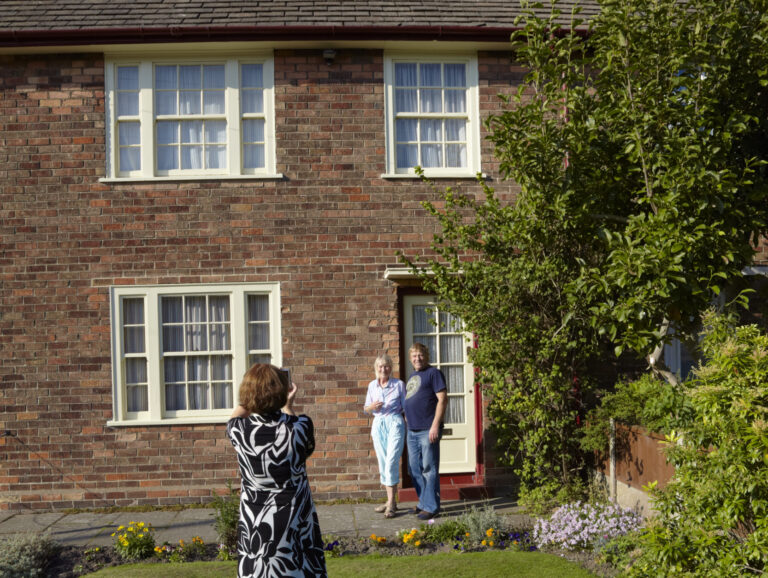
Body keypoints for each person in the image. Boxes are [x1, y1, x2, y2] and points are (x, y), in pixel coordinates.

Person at [227, 364, 327, 578]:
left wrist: (251, 397)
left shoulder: (238, 430)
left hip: (255, 522)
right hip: (294, 519)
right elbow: (304, 450)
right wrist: (287, 404)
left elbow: (237, 414)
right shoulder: (300, 427)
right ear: (281, 392)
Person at [403, 342, 447, 521]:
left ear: (426, 356)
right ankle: (423, 502)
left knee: (429, 469)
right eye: (414, 356)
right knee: (414, 469)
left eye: (420, 355)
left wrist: (435, 425)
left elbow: (442, 400)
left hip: (427, 430)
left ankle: (432, 507)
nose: (417, 358)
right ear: (410, 359)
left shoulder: (433, 374)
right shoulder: (413, 376)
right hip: (412, 430)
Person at [363, 353, 406, 518]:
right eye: (380, 366)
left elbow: (405, 406)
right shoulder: (372, 386)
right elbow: (366, 409)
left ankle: (392, 504)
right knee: (383, 463)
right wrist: (372, 406)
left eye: (387, 366)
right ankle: (389, 501)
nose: (383, 369)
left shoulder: (398, 385)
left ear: (391, 368)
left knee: (391, 462)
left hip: (395, 423)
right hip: (378, 424)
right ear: (376, 368)